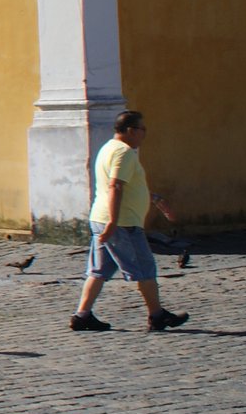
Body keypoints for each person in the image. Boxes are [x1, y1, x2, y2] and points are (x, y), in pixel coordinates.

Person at [73, 110, 189, 333]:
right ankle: (157, 315)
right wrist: (114, 222)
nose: (144, 135)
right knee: (144, 268)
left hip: (101, 218)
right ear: (131, 130)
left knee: (98, 271)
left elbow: (127, 185)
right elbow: (115, 186)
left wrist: (153, 198)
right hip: (122, 223)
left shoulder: (108, 148)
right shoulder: (124, 152)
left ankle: (82, 315)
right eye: (142, 130)